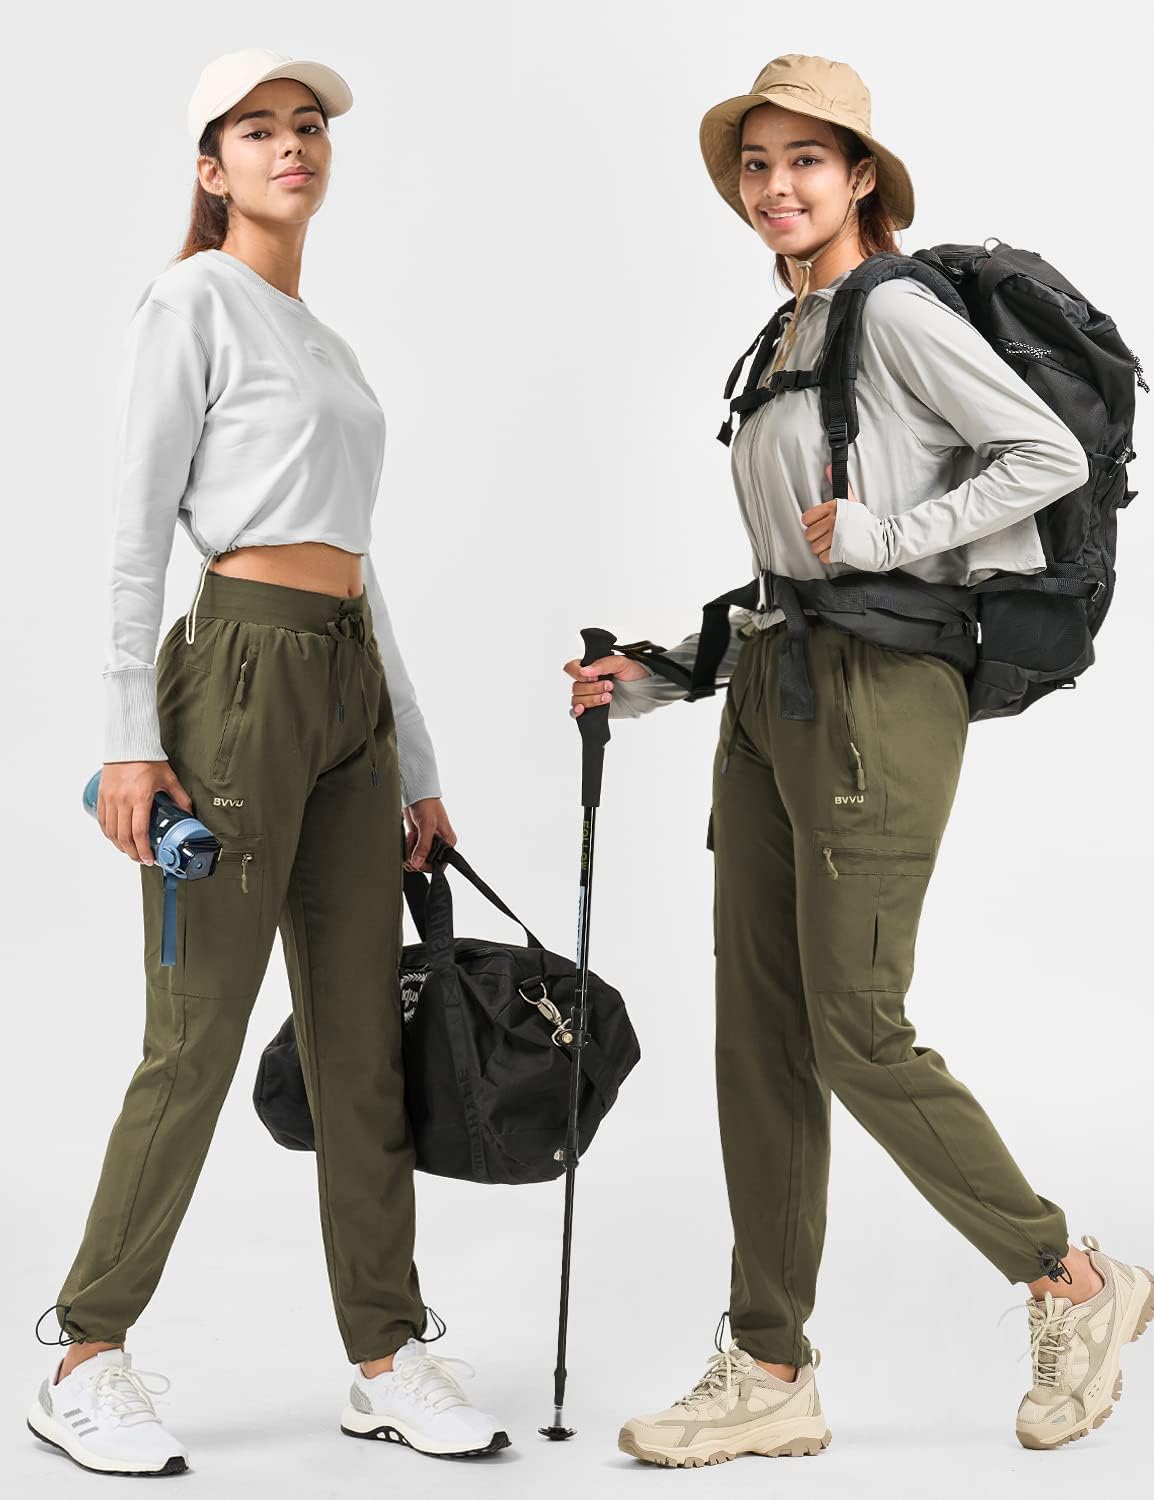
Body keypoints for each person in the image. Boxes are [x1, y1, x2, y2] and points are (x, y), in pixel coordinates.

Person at [565, 52, 1152, 1467]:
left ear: (861, 177)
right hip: (774, 693)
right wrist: (665, 672)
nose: (776, 186)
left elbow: (1043, 455)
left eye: (806, 161)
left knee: (856, 1027)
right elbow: (792, 568)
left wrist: (891, 536)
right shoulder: (788, 332)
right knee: (759, 1038)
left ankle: (1072, 1279)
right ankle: (770, 1366)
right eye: (756, 165)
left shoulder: (890, 308)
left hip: (881, 699)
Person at [28, 48, 508, 1476]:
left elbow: (360, 568)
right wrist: (128, 737)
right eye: (257, 130)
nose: (291, 145)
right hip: (234, 679)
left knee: (362, 1041)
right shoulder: (190, 301)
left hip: (347, 689)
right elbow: (134, 529)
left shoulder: (329, 347)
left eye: (307, 128)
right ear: (211, 166)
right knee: (195, 1034)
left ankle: (384, 1354)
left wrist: (414, 759)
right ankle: (84, 1354)